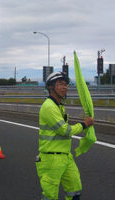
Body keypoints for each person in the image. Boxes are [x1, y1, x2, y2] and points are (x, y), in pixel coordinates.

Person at [36, 72, 94, 200]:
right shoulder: (49, 107)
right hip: (51, 159)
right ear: (51, 87)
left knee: (75, 190)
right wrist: (84, 124)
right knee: (50, 196)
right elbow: (65, 131)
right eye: (60, 84)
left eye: (66, 84)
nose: (65, 87)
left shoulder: (59, 106)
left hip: (65, 156)